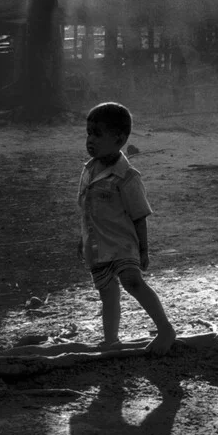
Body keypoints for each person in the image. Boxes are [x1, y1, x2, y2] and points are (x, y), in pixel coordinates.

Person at [77, 101, 176, 355]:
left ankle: (165, 329)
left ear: (119, 139)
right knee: (107, 293)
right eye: (89, 132)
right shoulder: (88, 171)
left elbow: (139, 216)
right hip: (97, 247)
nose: (90, 139)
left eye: (98, 134)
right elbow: (86, 210)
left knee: (132, 282)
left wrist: (144, 250)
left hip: (123, 245)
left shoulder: (128, 177)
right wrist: (83, 239)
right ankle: (111, 340)